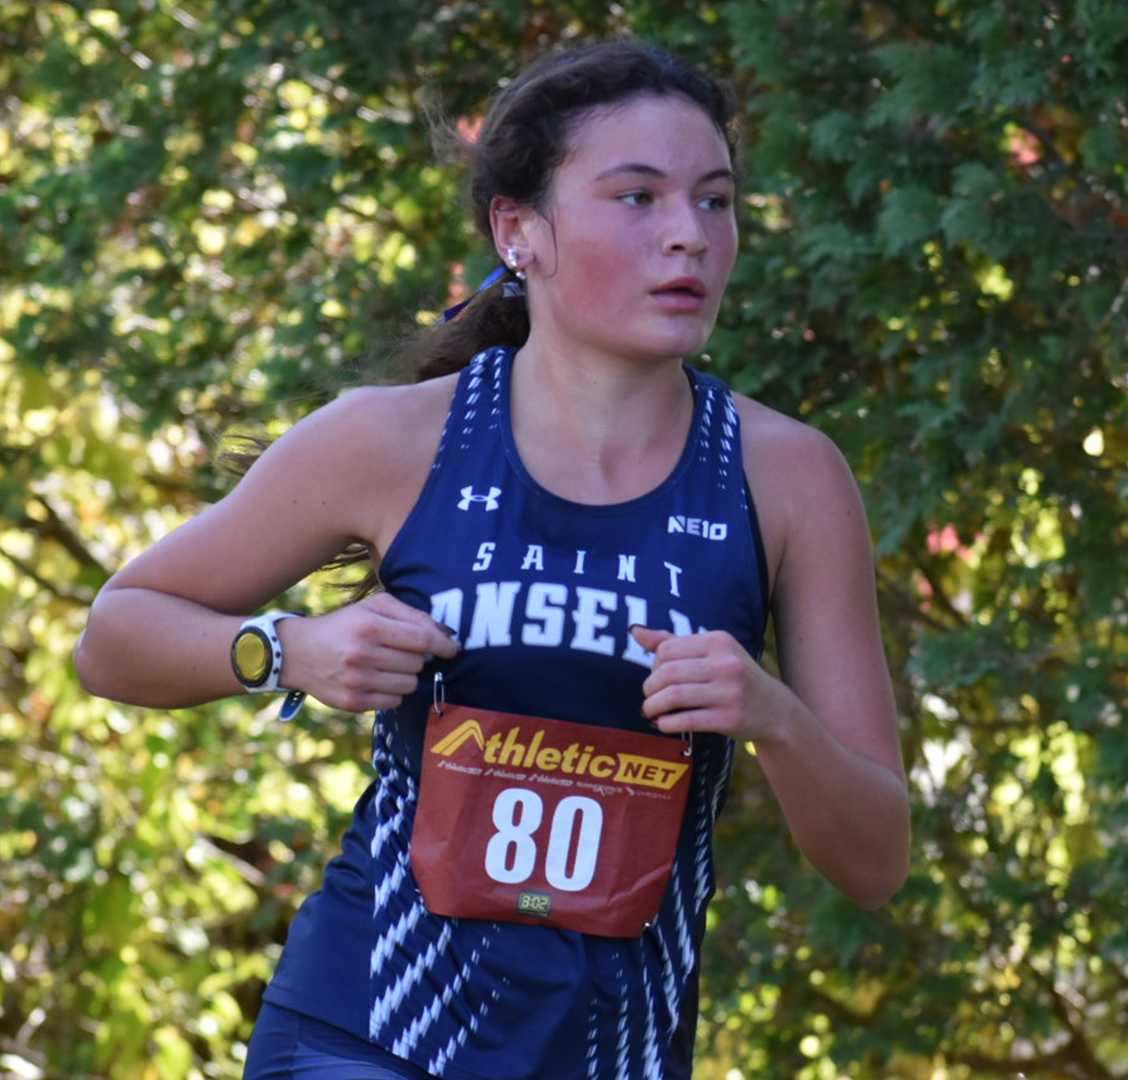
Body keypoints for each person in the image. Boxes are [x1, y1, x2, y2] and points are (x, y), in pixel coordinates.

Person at [74, 39, 909, 1080]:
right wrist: (289, 650)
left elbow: (876, 861)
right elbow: (115, 634)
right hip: (364, 1030)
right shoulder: (391, 440)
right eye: (637, 198)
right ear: (521, 231)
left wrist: (776, 718)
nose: (689, 237)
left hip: (614, 1055)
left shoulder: (788, 477)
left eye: (715, 201)